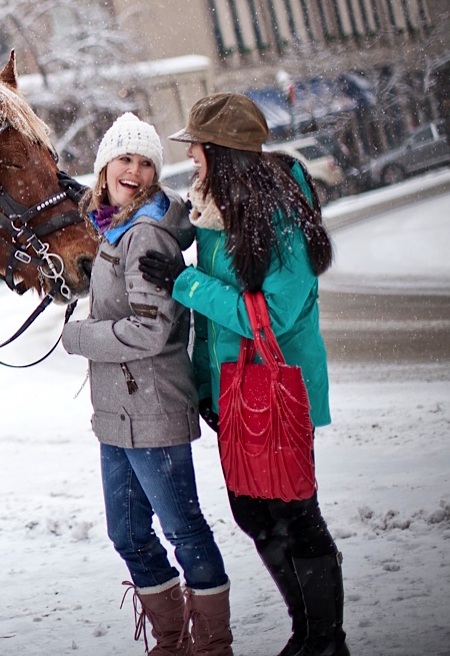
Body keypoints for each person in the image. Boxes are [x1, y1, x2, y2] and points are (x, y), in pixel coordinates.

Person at [139, 93, 348, 656]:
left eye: (200, 149)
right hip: (234, 390)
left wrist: (184, 283)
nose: (193, 160)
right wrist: (207, 389)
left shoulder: (278, 209)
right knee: (253, 511)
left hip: (278, 386)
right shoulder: (213, 206)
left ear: (223, 152)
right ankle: (305, 632)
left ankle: (325, 641)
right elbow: (210, 329)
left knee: (293, 512)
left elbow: (272, 316)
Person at [61, 113, 232, 656]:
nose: (133, 170)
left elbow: (149, 331)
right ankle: (171, 641)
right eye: (124, 159)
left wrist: (79, 337)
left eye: (145, 162)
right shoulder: (113, 224)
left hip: (153, 407)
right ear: (105, 165)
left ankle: (212, 645)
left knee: (184, 531)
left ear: (155, 174)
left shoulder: (149, 233)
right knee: (129, 536)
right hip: (118, 412)